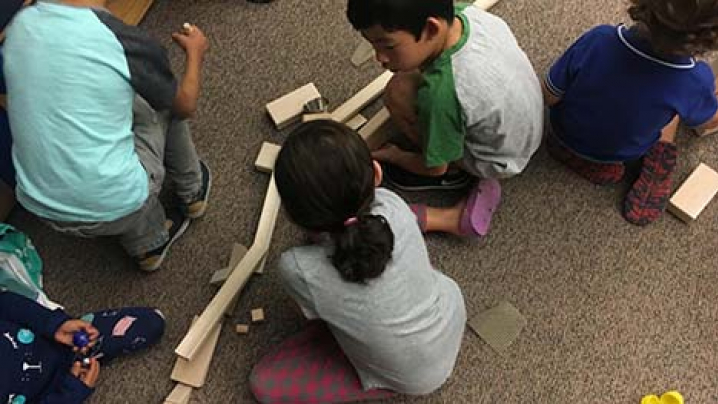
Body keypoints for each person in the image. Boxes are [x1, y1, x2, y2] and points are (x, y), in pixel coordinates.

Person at [249, 120, 467, 404]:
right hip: (451, 313)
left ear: (292, 216)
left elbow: (308, 314)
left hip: (415, 377)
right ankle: (447, 219)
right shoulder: (393, 205)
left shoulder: (296, 267)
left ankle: (384, 380)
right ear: (377, 174)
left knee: (263, 383)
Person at [3, 0, 212, 271]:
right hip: (117, 203)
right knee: (159, 102)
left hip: (41, 205)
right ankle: (183, 202)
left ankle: (141, 231)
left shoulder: (18, 29)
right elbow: (186, 106)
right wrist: (196, 53)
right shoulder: (124, 41)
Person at [347, 0, 543, 237]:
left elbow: (435, 168)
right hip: (531, 123)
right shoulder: (467, 13)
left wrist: (396, 156)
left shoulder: (441, 96)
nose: (380, 58)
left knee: (398, 92)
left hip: (494, 160)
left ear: (431, 29)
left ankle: (455, 175)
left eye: (387, 45)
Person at [543, 0, 718, 225]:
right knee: (675, 107)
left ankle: (570, 151)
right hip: (621, 152)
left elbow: (550, 94)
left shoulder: (599, 38)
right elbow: (706, 122)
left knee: (660, 98)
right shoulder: (696, 81)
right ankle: (658, 158)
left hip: (562, 128)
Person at [0, 290, 165, 403]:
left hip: (55, 339)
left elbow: (5, 302)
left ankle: (84, 341)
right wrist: (70, 394)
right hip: (49, 392)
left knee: (150, 324)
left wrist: (54, 324)